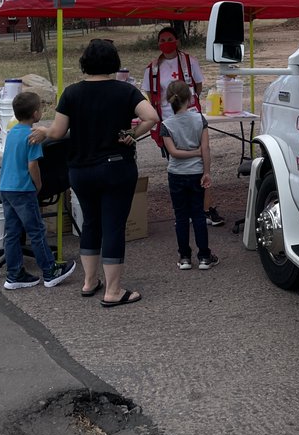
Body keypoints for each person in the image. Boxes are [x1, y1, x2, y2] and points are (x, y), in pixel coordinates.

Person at [30, 38, 158, 308]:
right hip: (116, 167)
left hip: (80, 170)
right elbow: (152, 117)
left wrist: (42, 131)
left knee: (90, 223)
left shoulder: (72, 93)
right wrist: (131, 134)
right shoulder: (125, 90)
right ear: (114, 62)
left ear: (85, 62)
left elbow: (57, 132)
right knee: (113, 226)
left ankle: (89, 282)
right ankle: (113, 291)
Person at [144, 27, 225, 227]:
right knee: (176, 165)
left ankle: (206, 208)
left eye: (170, 39)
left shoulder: (190, 61)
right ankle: (185, 211)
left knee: (202, 162)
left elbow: (197, 87)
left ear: (177, 40)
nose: (166, 43)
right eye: (162, 40)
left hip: (191, 118)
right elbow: (148, 92)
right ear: (158, 43)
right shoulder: (152, 68)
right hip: (168, 122)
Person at [0, 91, 77, 290]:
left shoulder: (12, 133)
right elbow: (33, 165)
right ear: (35, 114)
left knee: (12, 232)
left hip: (6, 187)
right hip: (23, 189)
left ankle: (14, 273)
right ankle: (50, 270)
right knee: (36, 230)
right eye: (40, 108)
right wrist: (39, 185)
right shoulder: (33, 137)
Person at [161, 80, 218, 270]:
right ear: (190, 98)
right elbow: (206, 148)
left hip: (176, 173)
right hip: (196, 172)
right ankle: (204, 255)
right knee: (199, 215)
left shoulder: (166, 125)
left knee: (181, 216)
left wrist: (190, 153)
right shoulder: (199, 119)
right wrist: (206, 170)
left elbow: (174, 153)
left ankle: (184, 256)